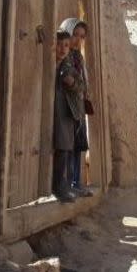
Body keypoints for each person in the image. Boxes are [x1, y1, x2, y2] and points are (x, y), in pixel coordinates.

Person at [59, 18, 93, 197]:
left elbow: (79, 81)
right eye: (75, 35)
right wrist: (78, 86)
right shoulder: (64, 55)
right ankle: (67, 184)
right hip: (67, 107)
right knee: (67, 146)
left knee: (79, 145)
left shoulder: (78, 56)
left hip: (78, 107)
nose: (78, 40)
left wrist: (83, 89)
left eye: (82, 36)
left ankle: (76, 182)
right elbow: (69, 81)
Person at [53, 30, 84, 202]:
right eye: (59, 45)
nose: (62, 49)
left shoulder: (68, 67)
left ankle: (60, 187)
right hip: (49, 114)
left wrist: (72, 83)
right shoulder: (48, 64)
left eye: (65, 45)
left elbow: (81, 85)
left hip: (64, 114)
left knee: (63, 149)